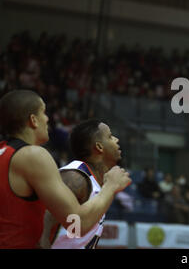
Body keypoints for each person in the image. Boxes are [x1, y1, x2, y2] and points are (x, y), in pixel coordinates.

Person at [0, 90, 130, 248]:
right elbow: (77, 223)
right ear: (33, 120)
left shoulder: (7, 154)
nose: (48, 119)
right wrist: (111, 186)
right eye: (44, 112)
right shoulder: (34, 156)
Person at [38, 119, 123, 248]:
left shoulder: (97, 183)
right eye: (110, 136)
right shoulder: (76, 176)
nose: (116, 139)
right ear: (99, 146)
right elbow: (40, 219)